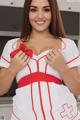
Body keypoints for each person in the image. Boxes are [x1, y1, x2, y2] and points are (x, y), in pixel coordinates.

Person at [0, 0, 80, 119]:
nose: (40, 16)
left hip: (63, 115)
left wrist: (63, 68)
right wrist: (12, 68)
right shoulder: (12, 45)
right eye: (33, 10)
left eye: (46, 10)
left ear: (53, 13)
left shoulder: (66, 45)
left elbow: (77, 90)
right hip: (24, 116)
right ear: (27, 12)